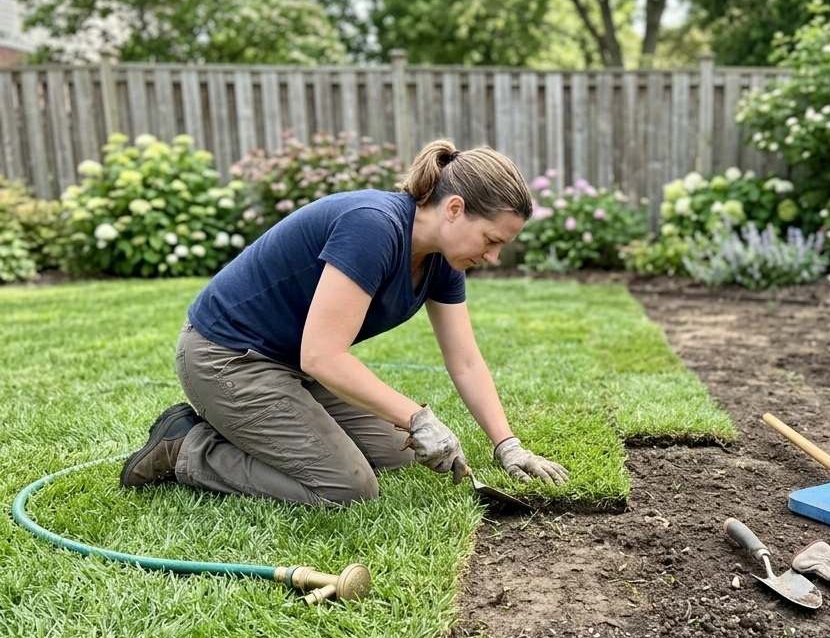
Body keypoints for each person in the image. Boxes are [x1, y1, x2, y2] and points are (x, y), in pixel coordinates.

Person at [119, 139, 569, 505]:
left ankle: (250, 426)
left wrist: (507, 444)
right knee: (347, 487)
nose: (493, 257)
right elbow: (323, 356)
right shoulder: (373, 227)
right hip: (225, 358)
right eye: (491, 240)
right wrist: (417, 417)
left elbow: (466, 361)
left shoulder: (443, 261)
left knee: (397, 455)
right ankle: (186, 448)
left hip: (287, 365)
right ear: (454, 208)